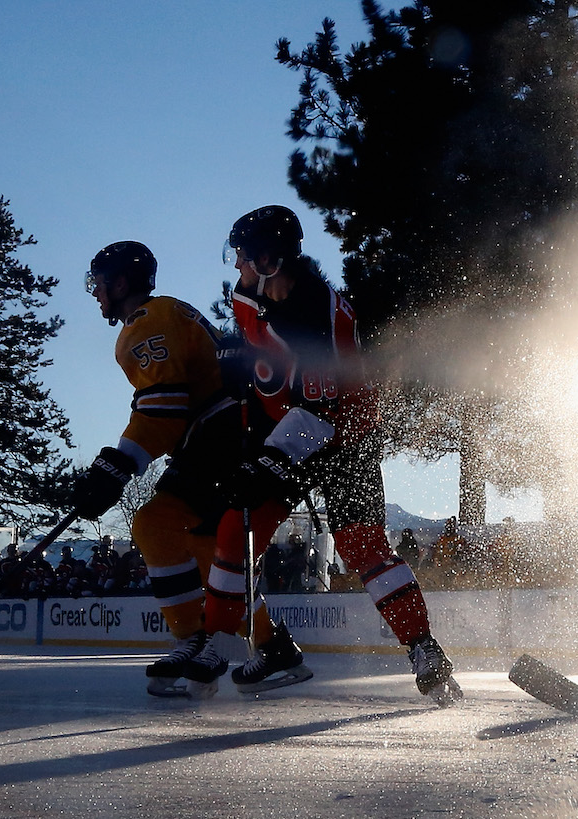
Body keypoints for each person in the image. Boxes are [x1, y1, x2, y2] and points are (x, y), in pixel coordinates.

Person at [221, 205, 461, 704]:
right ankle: (258, 647)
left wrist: (269, 459)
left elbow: (322, 412)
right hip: (290, 425)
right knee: (236, 532)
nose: (236, 267)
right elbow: (260, 368)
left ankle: (424, 648)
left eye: (242, 257)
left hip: (343, 434)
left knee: (362, 547)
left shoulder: (318, 317)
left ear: (268, 260)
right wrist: (249, 433)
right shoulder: (249, 295)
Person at [73, 240, 309, 697]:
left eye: (98, 284)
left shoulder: (146, 324)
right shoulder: (166, 312)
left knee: (178, 531)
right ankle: (263, 643)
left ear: (120, 282)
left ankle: (202, 637)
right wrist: (121, 460)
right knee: (183, 534)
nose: (96, 294)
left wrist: (118, 463)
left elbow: (165, 408)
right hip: (217, 433)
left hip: (219, 434)